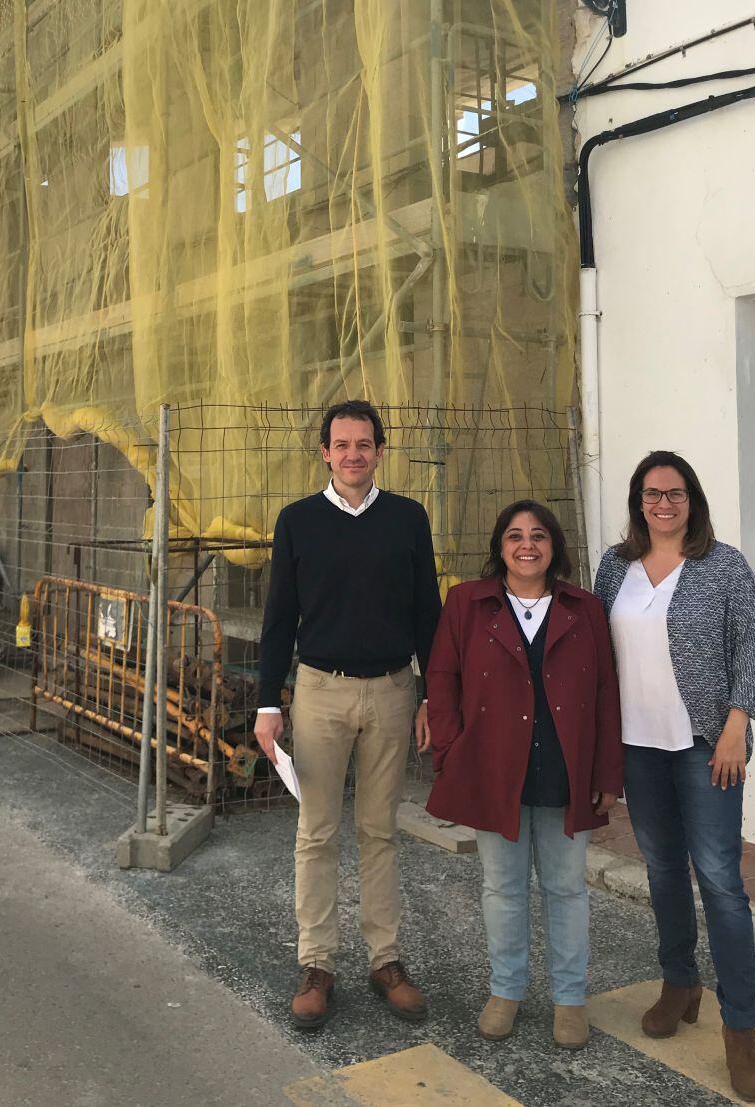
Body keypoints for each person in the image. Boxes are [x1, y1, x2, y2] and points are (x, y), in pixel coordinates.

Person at [254, 399, 442, 1030]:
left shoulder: (408, 519)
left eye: (365, 443)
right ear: (325, 452)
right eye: (342, 444)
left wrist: (431, 695)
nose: (354, 454)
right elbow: (280, 616)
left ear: (380, 452)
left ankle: (385, 960)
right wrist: (266, 701)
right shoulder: (298, 521)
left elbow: (427, 614)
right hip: (319, 693)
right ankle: (317, 965)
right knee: (316, 831)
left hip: (392, 691)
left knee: (380, 830)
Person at [594, 451, 755, 1103]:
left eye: (675, 492)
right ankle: (678, 981)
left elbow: (751, 646)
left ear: (691, 499)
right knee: (663, 870)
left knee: (721, 880)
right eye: (651, 493)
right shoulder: (614, 567)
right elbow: (595, 650)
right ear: (638, 500)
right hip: (638, 746)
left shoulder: (723, 567)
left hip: (705, 746)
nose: (663, 503)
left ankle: (740, 1027)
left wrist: (735, 722)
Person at [426, 500, 622, 1050]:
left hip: (566, 770)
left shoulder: (584, 608)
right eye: (514, 536)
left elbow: (607, 692)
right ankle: (505, 991)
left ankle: (570, 1000)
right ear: (500, 547)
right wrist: (450, 750)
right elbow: (442, 679)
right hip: (494, 770)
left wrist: (608, 769)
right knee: (503, 887)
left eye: (538, 535)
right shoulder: (467, 603)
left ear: (554, 545)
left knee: (566, 889)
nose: (527, 545)